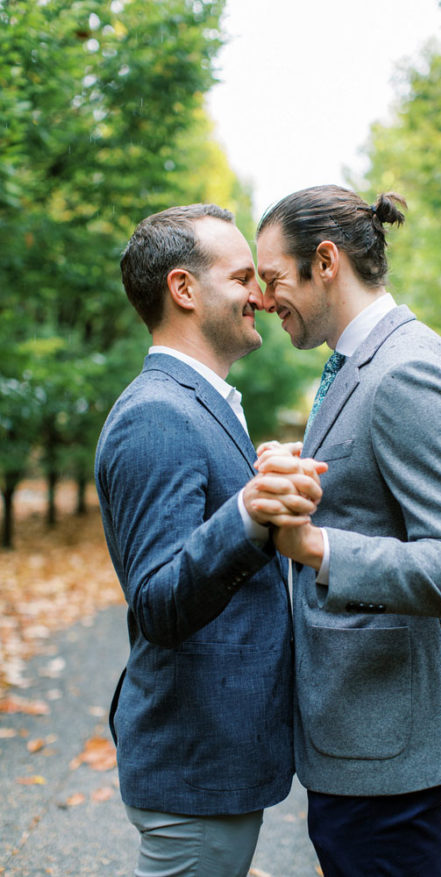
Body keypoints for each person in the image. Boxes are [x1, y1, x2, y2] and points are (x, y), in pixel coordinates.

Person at [254, 185, 441, 876]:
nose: (266, 299)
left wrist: (318, 546)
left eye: (274, 279)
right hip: (359, 737)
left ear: (324, 261)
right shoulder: (357, 364)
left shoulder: (407, 370)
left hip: (384, 750)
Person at [94, 203, 324, 877]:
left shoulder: (195, 403)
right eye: (243, 276)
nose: (261, 294)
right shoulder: (157, 415)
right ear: (184, 290)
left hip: (211, 757)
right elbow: (158, 604)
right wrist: (248, 511)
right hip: (193, 762)